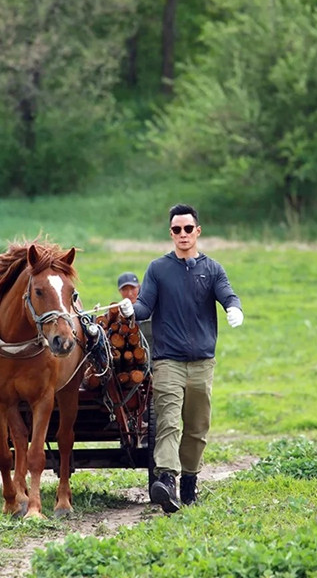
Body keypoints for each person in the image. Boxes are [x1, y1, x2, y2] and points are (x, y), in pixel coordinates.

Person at [118, 203, 243, 513]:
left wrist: (233, 307)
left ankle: (189, 482)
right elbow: (145, 305)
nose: (183, 234)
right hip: (168, 361)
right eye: (177, 229)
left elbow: (227, 292)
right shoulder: (158, 269)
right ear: (170, 233)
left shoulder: (212, 269)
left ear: (197, 231)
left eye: (188, 229)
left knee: (198, 427)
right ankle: (166, 480)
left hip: (202, 362)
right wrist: (131, 310)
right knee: (169, 422)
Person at [116, 272, 152, 351]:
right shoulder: (116, 314)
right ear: (119, 291)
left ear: (139, 287)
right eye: (125, 289)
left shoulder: (150, 309)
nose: (129, 293)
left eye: (132, 288)